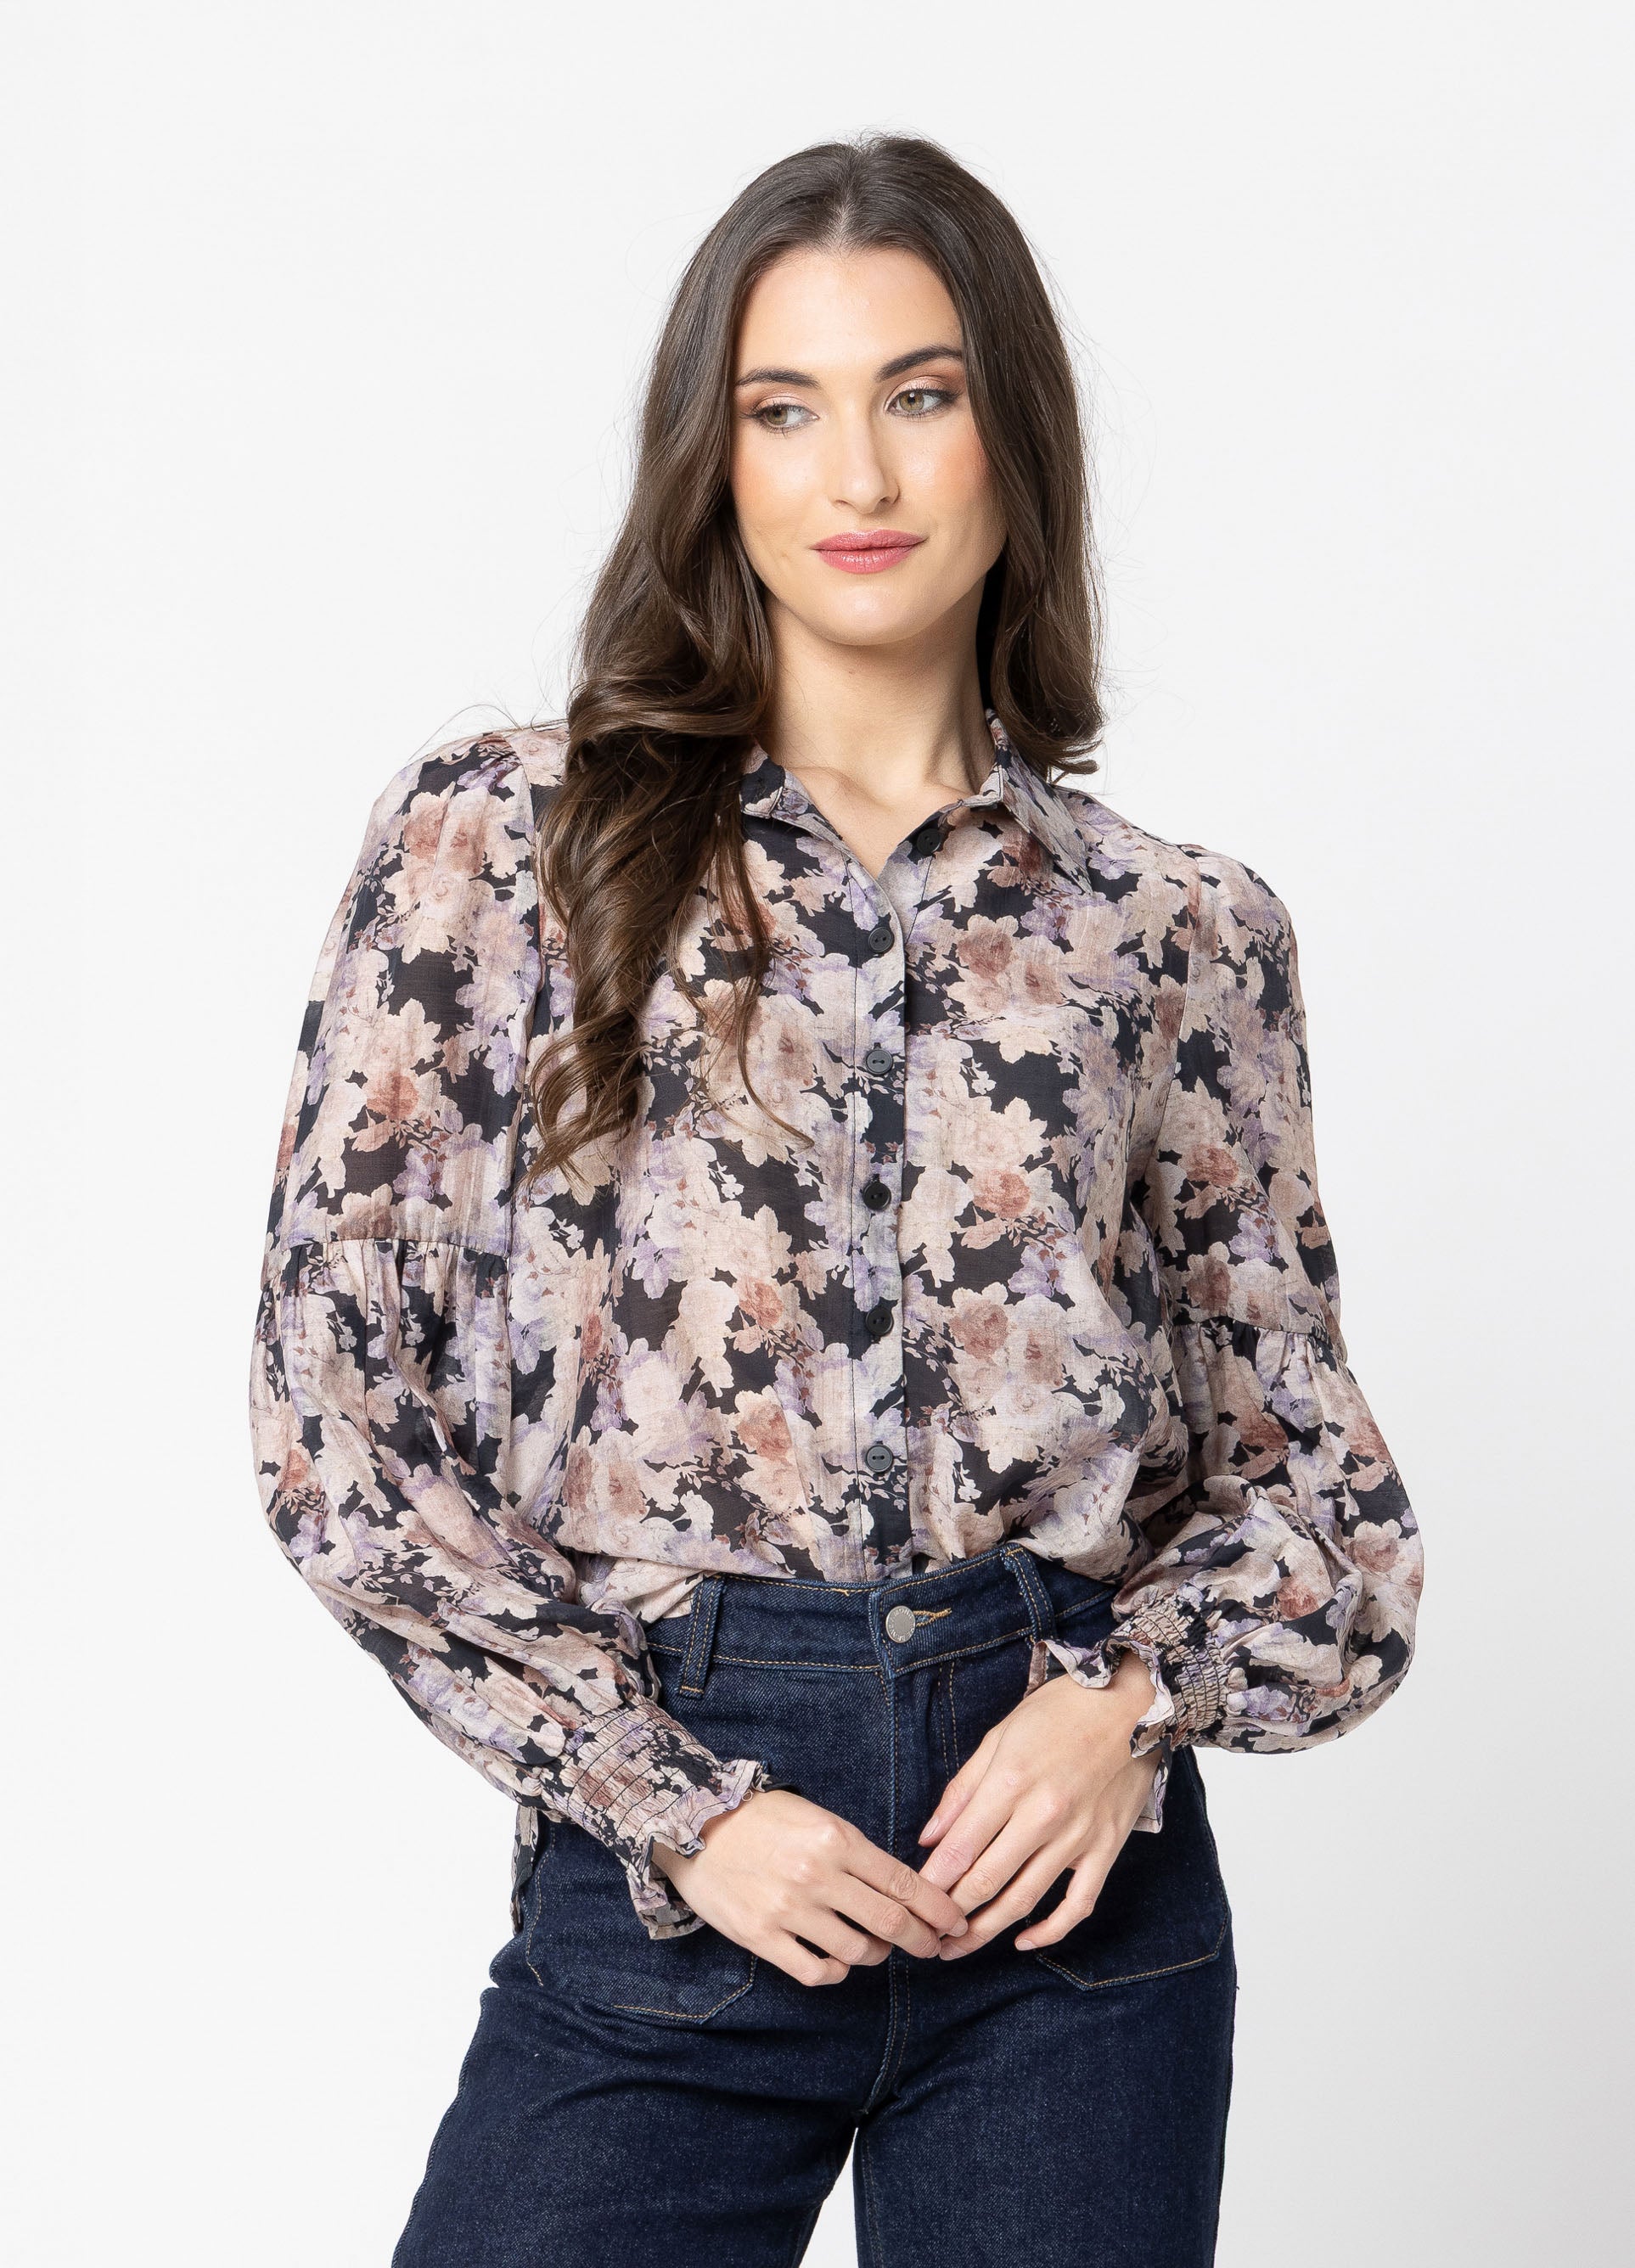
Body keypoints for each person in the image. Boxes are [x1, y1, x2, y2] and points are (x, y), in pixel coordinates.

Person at [249, 132, 1422, 2268]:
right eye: (783, 408)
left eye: (920, 394)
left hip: (1067, 1905)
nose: (856, 473)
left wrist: (1128, 1705)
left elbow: (1323, 1505)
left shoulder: (1174, 931)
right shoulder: (504, 845)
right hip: (682, 1860)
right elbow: (338, 1421)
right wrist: (678, 1805)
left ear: (1011, 438)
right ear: (713, 460)